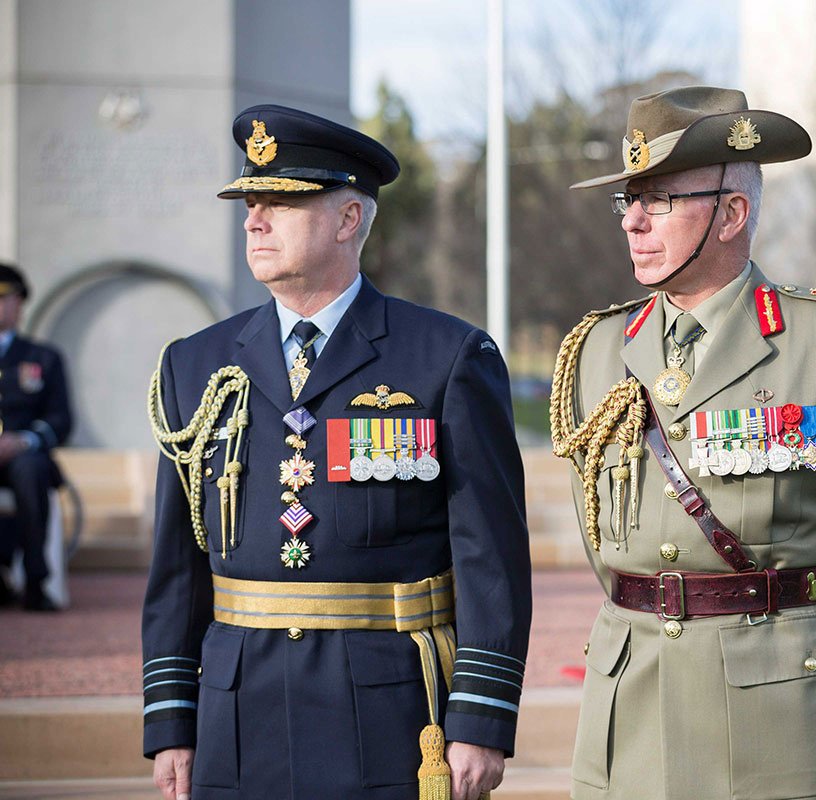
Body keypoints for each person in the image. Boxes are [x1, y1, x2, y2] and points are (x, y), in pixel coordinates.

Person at [549, 86, 816, 800]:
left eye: (660, 199)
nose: (633, 221)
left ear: (732, 213)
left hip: (782, 724)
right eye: (626, 201)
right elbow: (608, 541)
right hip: (628, 707)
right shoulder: (599, 351)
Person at [142, 105, 531, 800]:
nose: (253, 221)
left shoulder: (445, 356)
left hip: (387, 708)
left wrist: (481, 715)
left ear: (349, 220)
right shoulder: (193, 365)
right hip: (238, 710)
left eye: (280, 203)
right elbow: (177, 565)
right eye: (249, 204)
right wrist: (171, 715)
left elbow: (489, 554)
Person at [0, 263, 73, 611]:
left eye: (4, 299)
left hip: (23, 456)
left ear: (19, 304)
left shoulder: (43, 357)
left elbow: (61, 420)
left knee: (30, 471)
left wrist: (24, 440)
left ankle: (35, 580)